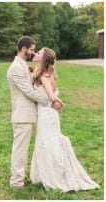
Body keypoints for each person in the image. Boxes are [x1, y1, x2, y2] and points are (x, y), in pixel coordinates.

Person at [30, 47, 100, 192]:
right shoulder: (49, 74)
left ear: (44, 58)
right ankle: (51, 172)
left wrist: (56, 101)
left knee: (47, 141)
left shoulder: (44, 76)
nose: (36, 54)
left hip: (46, 114)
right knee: (52, 140)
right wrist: (57, 101)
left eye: (39, 53)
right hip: (50, 114)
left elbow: (50, 95)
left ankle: (53, 175)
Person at [6, 36, 63, 188]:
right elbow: (29, 92)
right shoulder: (15, 68)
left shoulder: (23, 65)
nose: (32, 53)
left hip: (29, 114)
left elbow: (38, 83)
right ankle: (16, 181)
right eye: (31, 50)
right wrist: (51, 101)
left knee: (22, 149)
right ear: (24, 49)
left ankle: (22, 177)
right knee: (20, 150)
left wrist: (52, 97)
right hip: (22, 116)